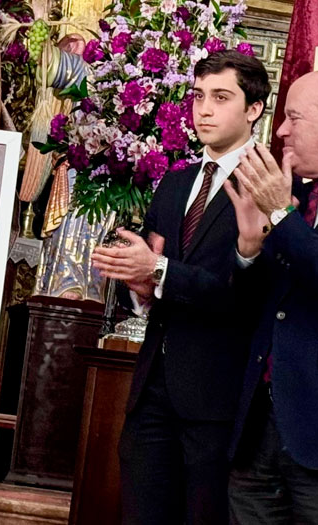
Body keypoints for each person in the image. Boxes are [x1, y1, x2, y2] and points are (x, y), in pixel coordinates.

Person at [91, 50, 270, 524]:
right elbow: (150, 272)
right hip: (152, 390)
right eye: (198, 96)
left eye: (221, 98)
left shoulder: (267, 187)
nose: (203, 110)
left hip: (218, 399)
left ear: (254, 109)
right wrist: (138, 285)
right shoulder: (175, 183)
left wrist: (159, 270)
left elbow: (245, 293)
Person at [224, 69, 318, 524]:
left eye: (294, 117)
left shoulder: (285, 202)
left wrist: (282, 216)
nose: (281, 130)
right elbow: (256, 307)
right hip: (258, 433)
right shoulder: (291, 194)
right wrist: (248, 249)